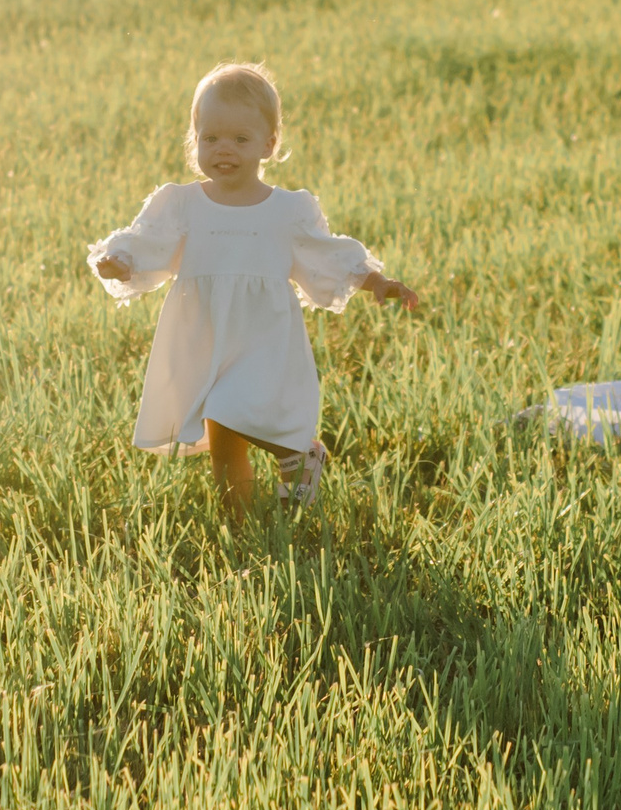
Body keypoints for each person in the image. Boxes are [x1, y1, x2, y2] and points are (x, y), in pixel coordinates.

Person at [87, 61, 418, 519]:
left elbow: (324, 253)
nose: (224, 150)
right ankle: (240, 524)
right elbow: (150, 243)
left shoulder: (285, 210)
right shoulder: (182, 203)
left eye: (240, 139)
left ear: (269, 143)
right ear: (194, 140)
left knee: (231, 413)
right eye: (211, 138)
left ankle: (299, 456)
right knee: (223, 443)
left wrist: (375, 281)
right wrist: (121, 262)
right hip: (206, 338)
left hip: (262, 339)